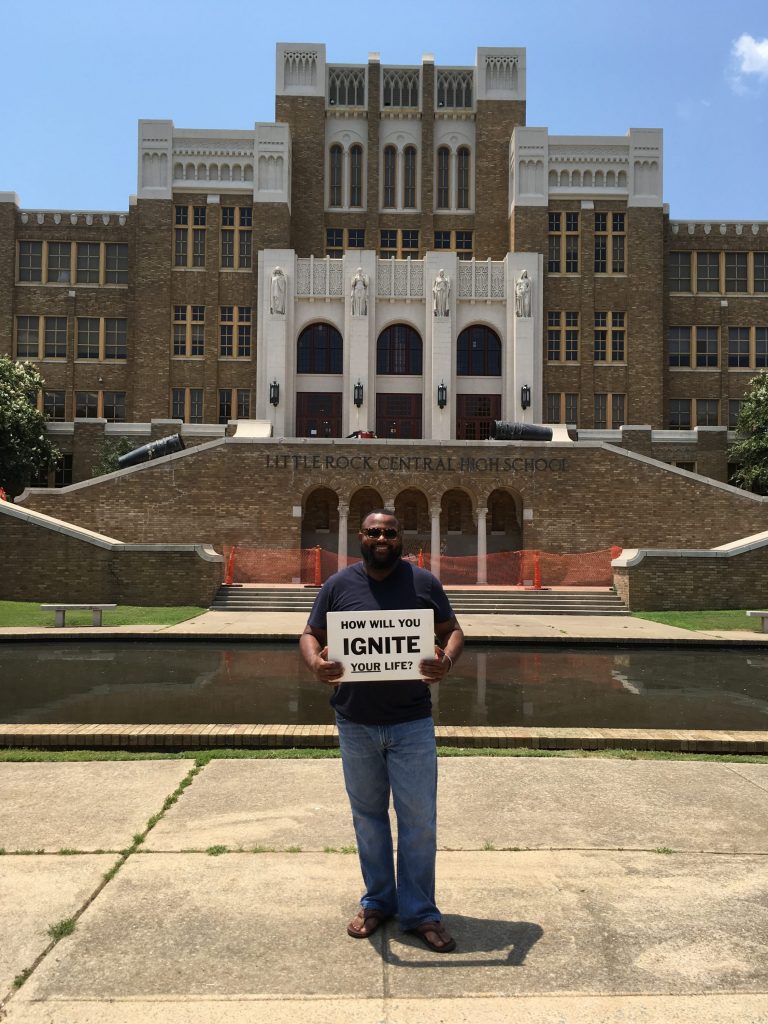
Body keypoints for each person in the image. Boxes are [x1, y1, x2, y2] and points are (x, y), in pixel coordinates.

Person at [300, 510, 464, 953]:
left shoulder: (423, 583)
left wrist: (445, 661)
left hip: (411, 722)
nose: (382, 538)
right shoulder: (338, 586)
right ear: (361, 537)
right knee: (368, 820)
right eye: (374, 532)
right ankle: (377, 902)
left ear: (401, 538)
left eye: (390, 532)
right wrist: (316, 663)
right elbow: (310, 634)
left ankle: (420, 912)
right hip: (355, 722)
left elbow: (453, 632)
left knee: (419, 823)